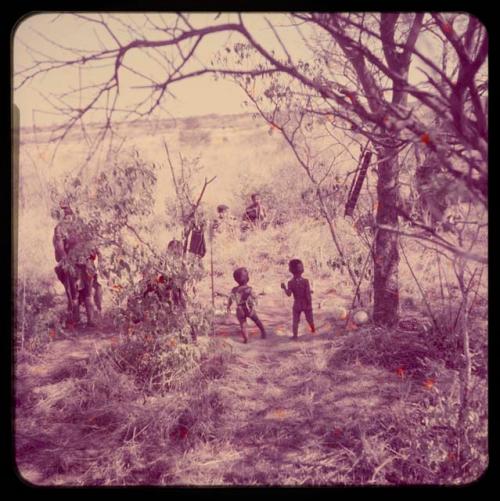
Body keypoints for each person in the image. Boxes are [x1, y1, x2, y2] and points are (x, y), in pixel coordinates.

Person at [53, 199, 103, 327]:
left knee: (83, 292)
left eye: (67, 208)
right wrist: (67, 263)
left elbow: (93, 244)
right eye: (65, 208)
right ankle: (79, 320)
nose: (67, 211)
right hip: (76, 263)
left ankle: (87, 320)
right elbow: (60, 248)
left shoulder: (79, 225)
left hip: (83, 263)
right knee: (78, 293)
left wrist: (94, 258)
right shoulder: (64, 227)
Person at [227, 267, 267, 343]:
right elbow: (254, 297)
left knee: (243, 325)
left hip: (239, 309)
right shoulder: (249, 289)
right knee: (256, 320)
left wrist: (228, 306)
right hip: (248, 308)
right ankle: (263, 332)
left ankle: (246, 339)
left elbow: (230, 299)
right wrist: (256, 300)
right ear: (247, 278)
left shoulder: (234, 289)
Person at [281, 259, 315, 340]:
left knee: (295, 321)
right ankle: (313, 330)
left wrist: (284, 288)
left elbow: (289, 294)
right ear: (302, 269)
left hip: (297, 304)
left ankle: (295, 336)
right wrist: (309, 303)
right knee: (309, 318)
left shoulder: (290, 283)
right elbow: (307, 294)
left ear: (290, 270)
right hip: (306, 303)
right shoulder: (306, 281)